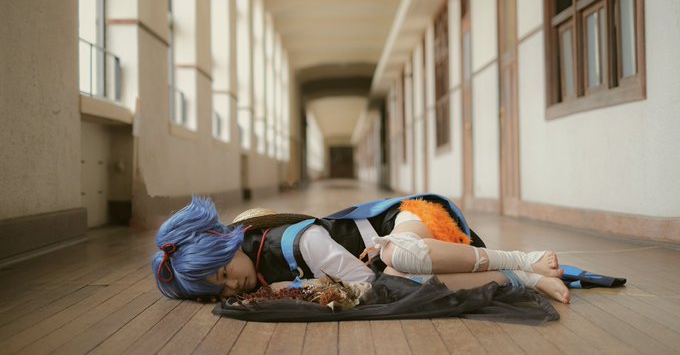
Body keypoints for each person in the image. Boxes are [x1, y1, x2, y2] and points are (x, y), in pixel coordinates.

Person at [152, 196, 570, 304]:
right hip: (395, 258)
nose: (232, 286)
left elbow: (365, 283)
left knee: (398, 260)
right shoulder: (257, 268)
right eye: (220, 289)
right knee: (402, 280)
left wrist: (287, 290)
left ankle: (521, 259)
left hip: (409, 220)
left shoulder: (299, 242)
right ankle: (523, 279)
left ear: (224, 244)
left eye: (224, 273)